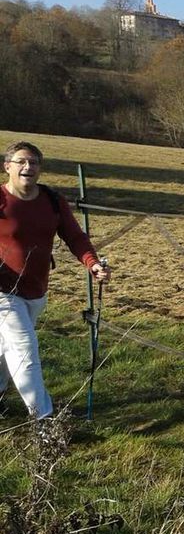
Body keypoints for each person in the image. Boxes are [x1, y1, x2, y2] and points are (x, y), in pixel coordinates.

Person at [0, 141, 111, 419]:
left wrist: (93, 264)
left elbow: (75, 236)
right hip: (2, 290)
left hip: (36, 289)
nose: (28, 167)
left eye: (34, 162)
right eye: (22, 161)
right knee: (24, 348)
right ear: (7, 167)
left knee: (6, 348)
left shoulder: (52, 200)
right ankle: (45, 421)